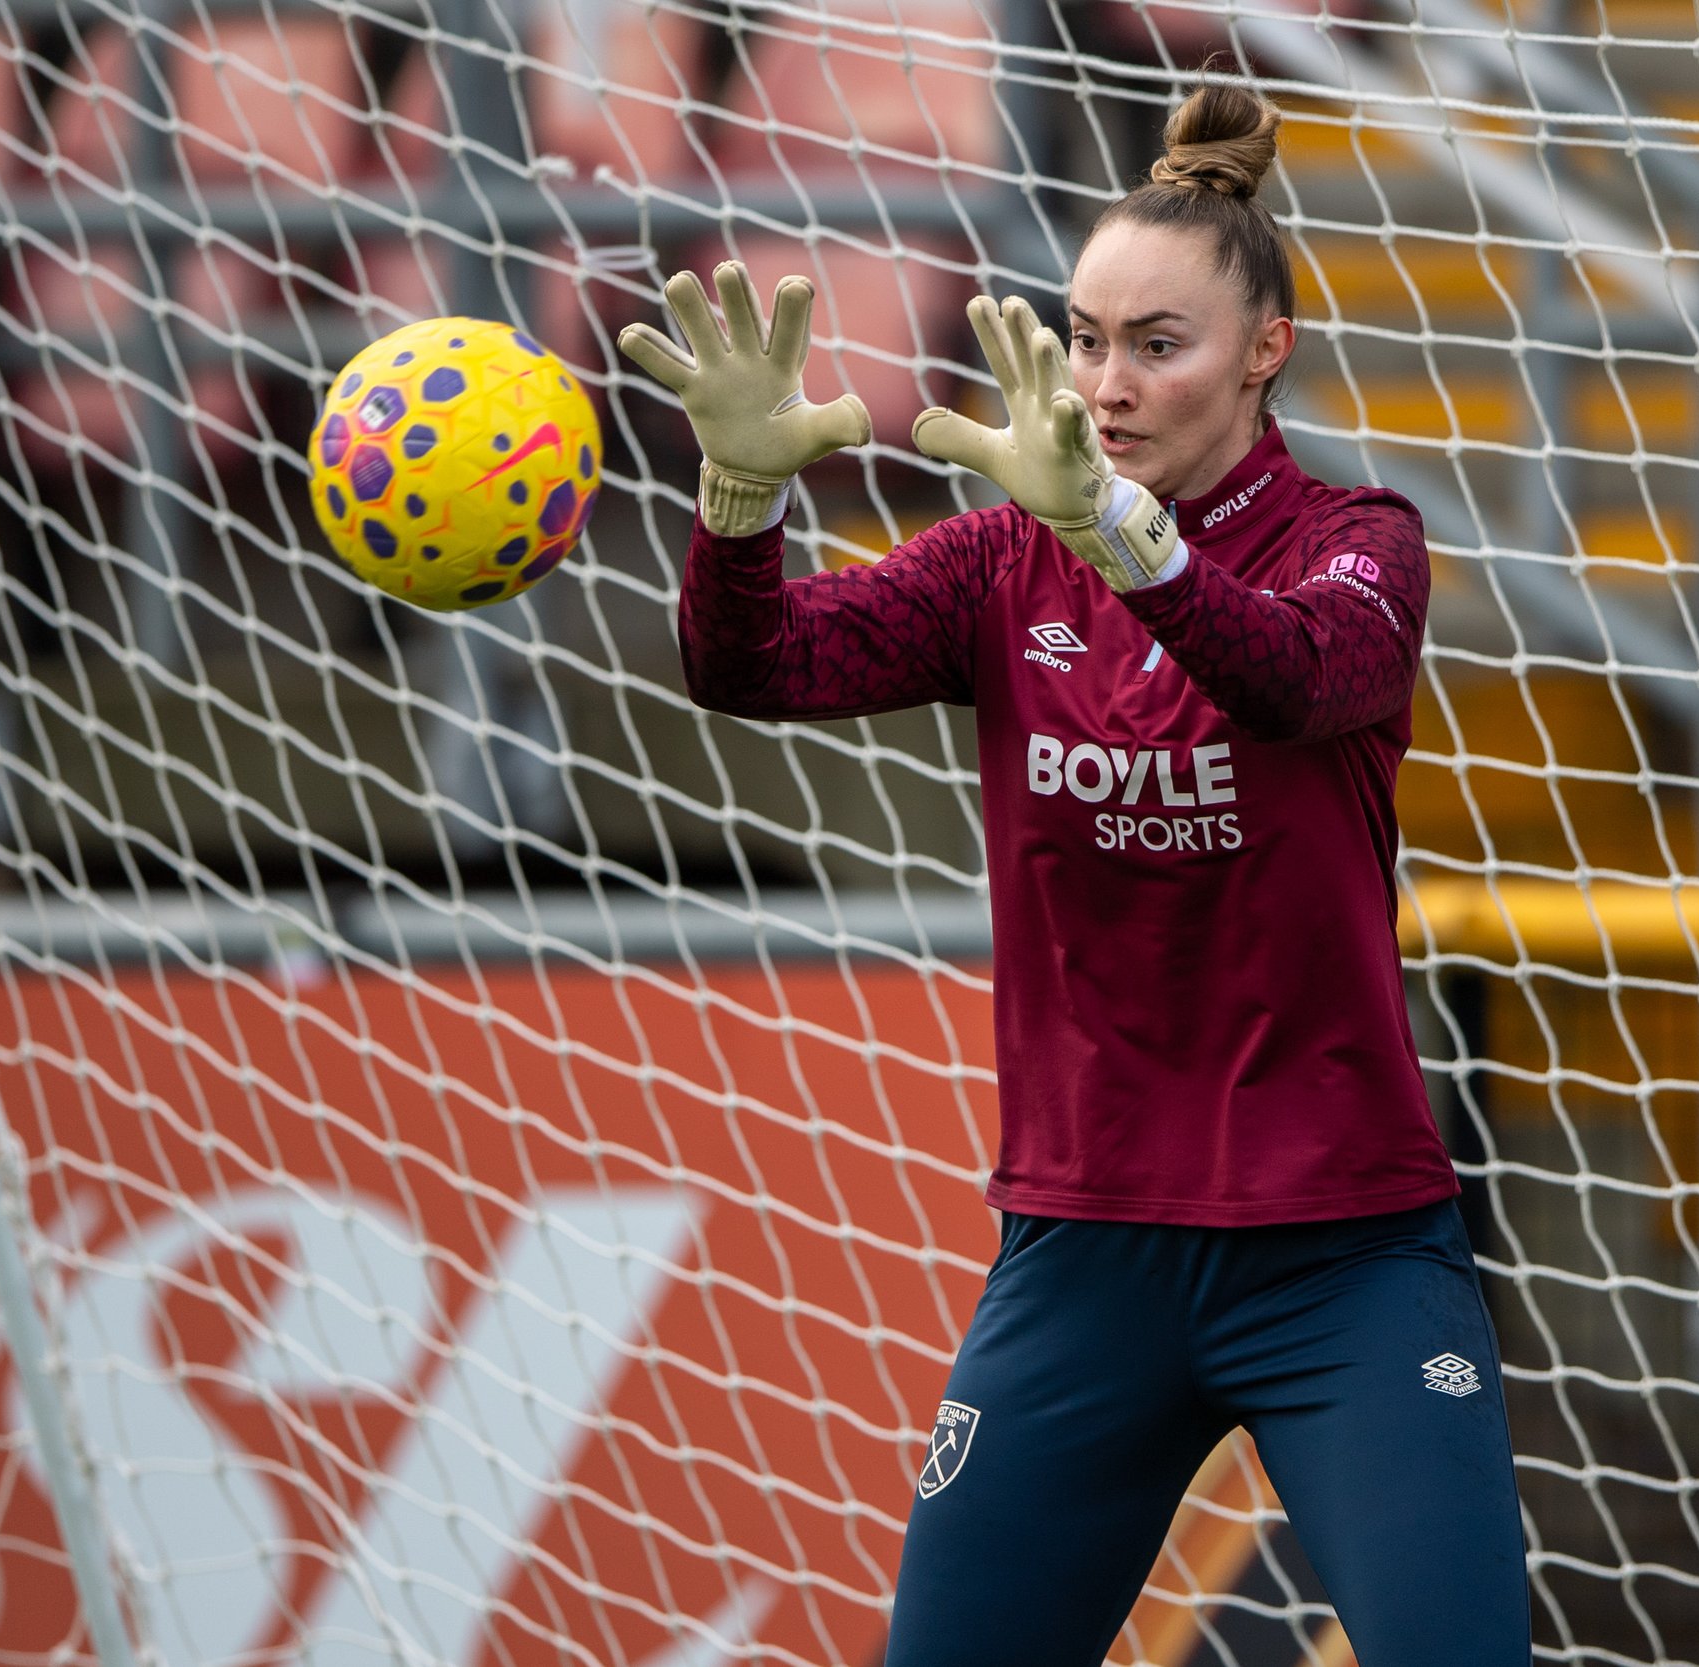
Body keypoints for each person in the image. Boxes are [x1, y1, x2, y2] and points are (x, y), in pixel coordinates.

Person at [618, 78, 1529, 1667]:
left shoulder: (1359, 540)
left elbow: (1297, 678)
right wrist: (744, 497)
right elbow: (752, 665)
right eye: (1087, 338)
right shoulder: (999, 560)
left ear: (1266, 351)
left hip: (1344, 1257)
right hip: (1085, 1252)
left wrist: (1123, 538)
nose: (1106, 384)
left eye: (1156, 346)